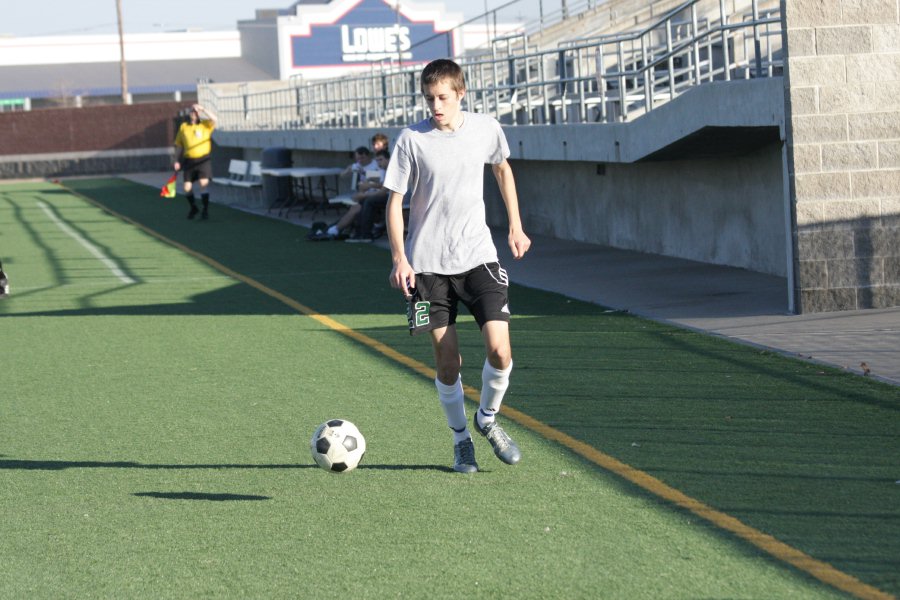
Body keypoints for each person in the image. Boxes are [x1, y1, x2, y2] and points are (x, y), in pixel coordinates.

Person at [382, 59, 531, 473]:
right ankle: (461, 439)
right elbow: (394, 200)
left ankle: (487, 418)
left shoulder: (485, 128)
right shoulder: (412, 139)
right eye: (429, 98)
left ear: (460, 93)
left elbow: (503, 169)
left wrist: (516, 226)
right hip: (428, 267)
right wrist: (400, 257)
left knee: (500, 351)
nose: (435, 106)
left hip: (479, 257)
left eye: (443, 98)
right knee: (449, 363)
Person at [173, 103, 218, 220]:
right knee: (187, 188)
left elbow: (215, 119)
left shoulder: (205, 125)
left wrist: (203, 109)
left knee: (203, 184)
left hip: (203, 160)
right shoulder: (183, 127)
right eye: (192, 111)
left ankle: (205, 210)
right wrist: (176, 160)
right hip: (189, 161)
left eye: (196, 112)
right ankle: (193, 207)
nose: (194, 113)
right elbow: (179, 145)